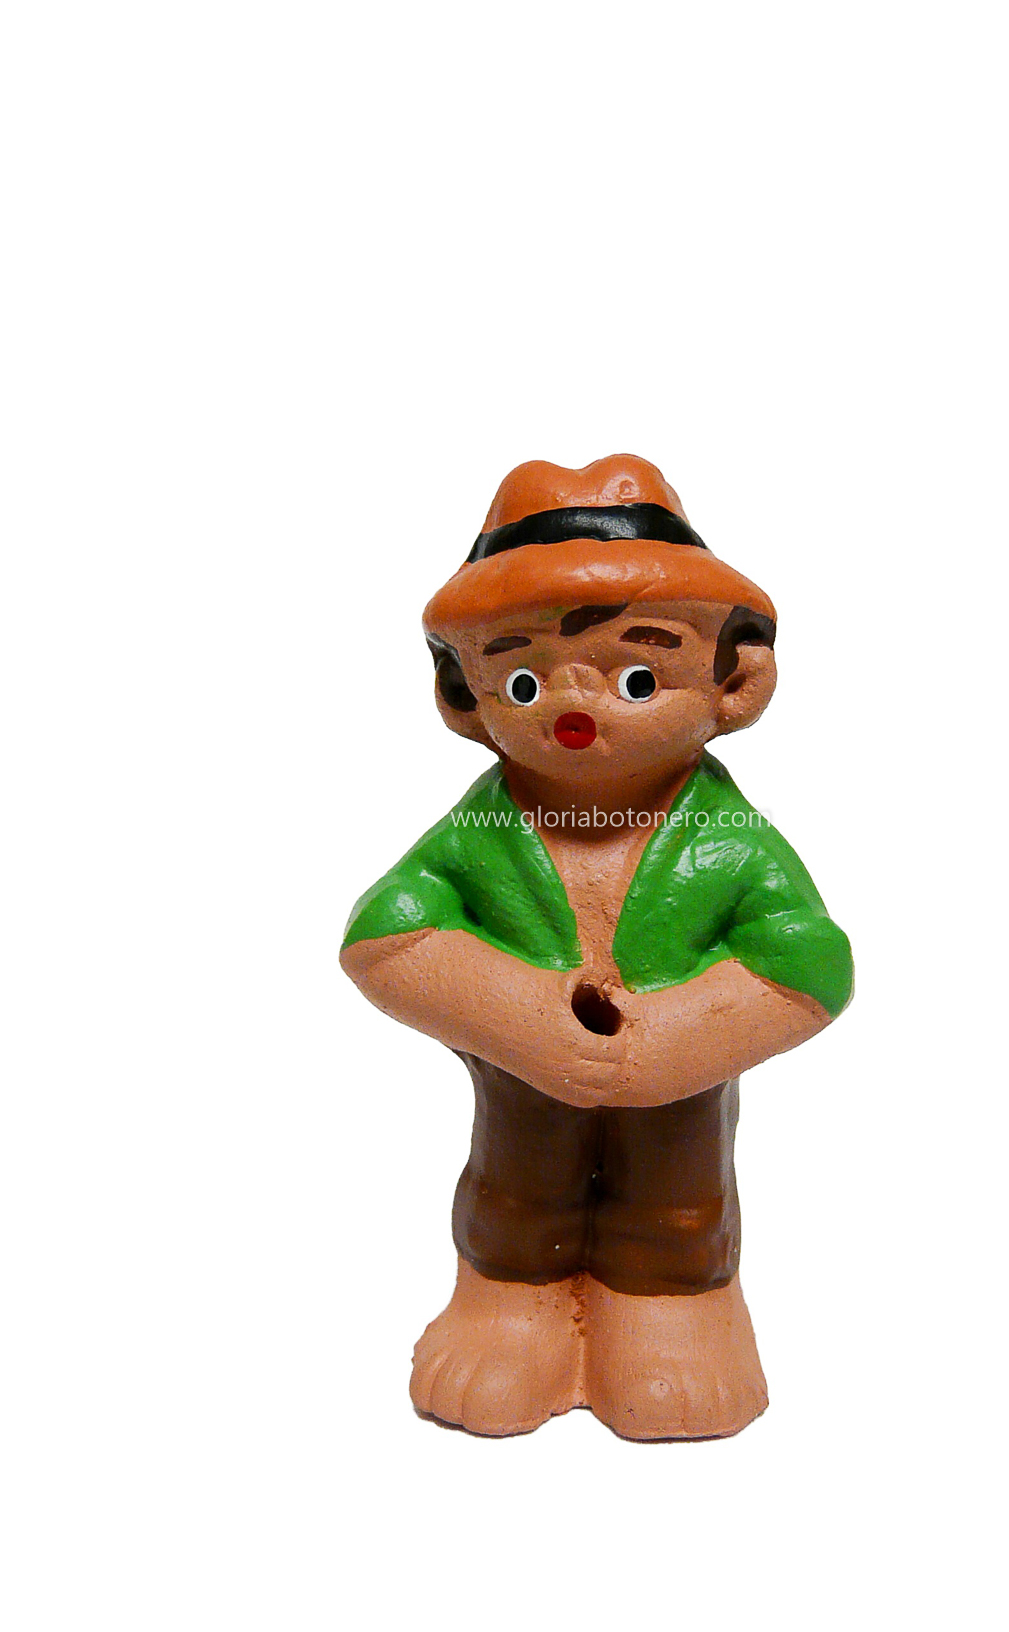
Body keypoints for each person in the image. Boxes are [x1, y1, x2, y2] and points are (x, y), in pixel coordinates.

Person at [340, 454, 853, 1438]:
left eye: (638, 675)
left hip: (676, 1100)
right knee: (512, 1186)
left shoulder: (730, 841)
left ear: (736, 681)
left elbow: (811, 961)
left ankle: (675, 1311)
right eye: (523, 677)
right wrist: (514, 1012)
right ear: (462, 697)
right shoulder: (483, 832)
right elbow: (385, 928)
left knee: (677, 1198)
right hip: (521, 1083)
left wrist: (673, 1039)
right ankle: (509, 1306)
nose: (575, 710)